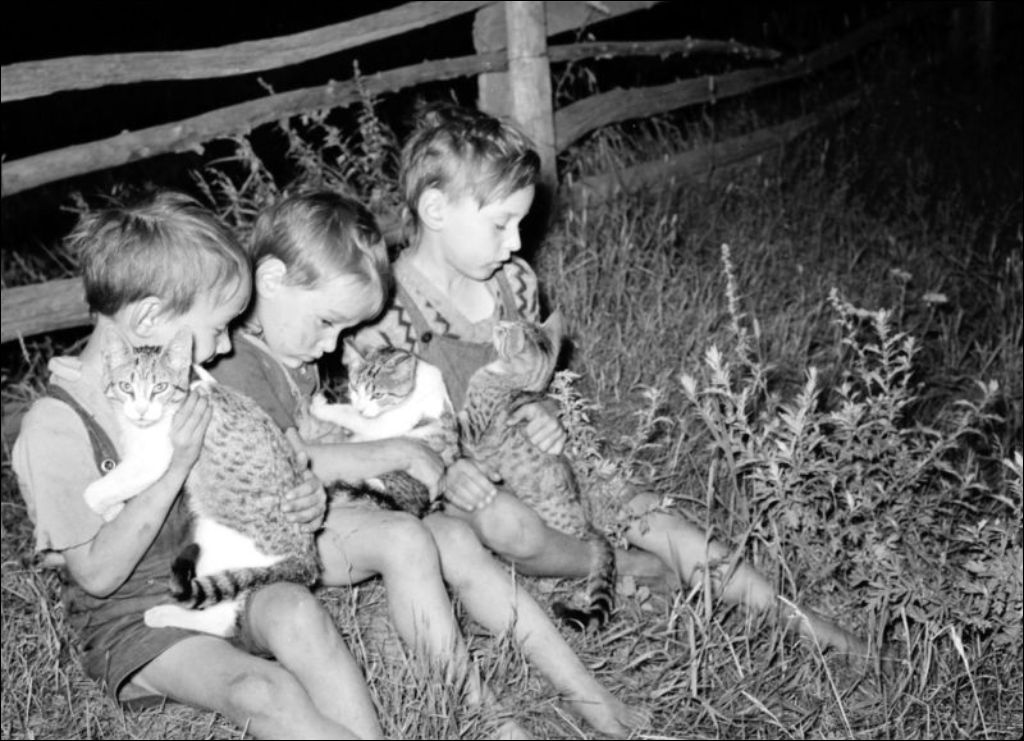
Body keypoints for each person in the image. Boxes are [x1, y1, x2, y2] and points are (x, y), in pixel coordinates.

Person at [348, 102, 868, 656]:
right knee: (508, 526)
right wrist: (446, 470)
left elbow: (536, 377)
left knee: (652, 515)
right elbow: (382, 434)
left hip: (541, 460)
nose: (516, 243)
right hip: (466, 488)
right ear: (435, 209)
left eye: (520, 224)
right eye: (501, 224)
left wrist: (547, 411)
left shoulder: (514, 283)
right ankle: (631, 568)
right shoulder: (385, 314)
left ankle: (802, 621)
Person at [207, 188, 650, 738]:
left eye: (341, 331)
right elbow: (289, 465)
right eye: (326, 323)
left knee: (457, 540)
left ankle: (586, 691)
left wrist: (426, 454)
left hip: (330, 513)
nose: (331, 346)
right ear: (273, 280)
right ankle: (490, 720)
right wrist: (399, 451)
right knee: (404, 540)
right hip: (270, 542)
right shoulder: (236, 363)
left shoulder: (292, 345)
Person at [12, 191, 383, 740]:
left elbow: (248, 468)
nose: (225, 345)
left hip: (218, 572)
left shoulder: (192, 382)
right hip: (134, 621)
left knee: (300, 614)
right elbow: (96, 576)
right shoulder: (55, 425)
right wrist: (174, 469)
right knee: (261, 691)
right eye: (218, 327)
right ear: (149, 318)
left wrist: (295, 492)